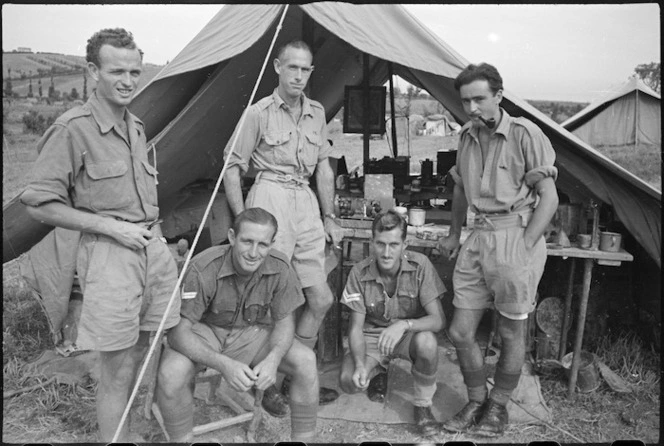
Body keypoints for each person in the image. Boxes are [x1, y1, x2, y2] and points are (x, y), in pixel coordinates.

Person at [20, 28, 181, 442]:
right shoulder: (72, 129)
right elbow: (37, 202)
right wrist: (109, 227)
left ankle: (132, 434)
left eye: (135, 71)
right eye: (116, 72)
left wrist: (159, 243)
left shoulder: (137, 126)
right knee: (117, 370)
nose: (128, 81)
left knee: (146, 357)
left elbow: (143, 199)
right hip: (110, 257)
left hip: (150, 253)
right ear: (93, 71)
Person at [437, 63, 559, 437]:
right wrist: (455, 235)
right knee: (460, 331)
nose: (472, 108)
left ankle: (499, 406)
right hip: (477, 237)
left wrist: (524, 247)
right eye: (465, 101)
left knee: (509, 333)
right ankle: (476, 399)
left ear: (499, 96)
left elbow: (548, 198)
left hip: (514, 235)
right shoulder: (466, 136)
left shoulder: (525, 133)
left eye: (479, 99)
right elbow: (460, 190)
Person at [223, 39, 341, 415]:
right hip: (269, 198)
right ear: (277, 66)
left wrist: (330, 216)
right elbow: (232, 167)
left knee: (320, 298)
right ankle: (265, 385)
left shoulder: (317, 112)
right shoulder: (258, 113)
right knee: (275, 301)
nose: (299, 76)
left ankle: (294, 376)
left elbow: (323, 167)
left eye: (306, 69)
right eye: (293, 67)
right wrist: (244, 220)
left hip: (304, 203)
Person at [156, 208, 319, 442]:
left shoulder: (280, 266)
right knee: (171, 373)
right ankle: (181, 440)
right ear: (232, 237)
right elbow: (177, 334)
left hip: (250, 333)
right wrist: (224, 364)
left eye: (263, 244)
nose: (254, 253)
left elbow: (285, 322)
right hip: (206, 333)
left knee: (306, 361)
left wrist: (273, 360)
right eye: (247, 241)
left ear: (272, 243)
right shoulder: (203, 267)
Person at [339, 210, 447, 437]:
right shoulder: (359, 273)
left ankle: (423, 406)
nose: (387, 253)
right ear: (372, 242)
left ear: (404, 244)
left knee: (427, 342)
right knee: (349, 382)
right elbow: (356, 329)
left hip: (406, 334)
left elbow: (438, 321)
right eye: (380, 244)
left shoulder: (421, 265)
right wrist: (359, 364)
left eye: (394, 245)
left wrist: (404, 325)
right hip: (373, 337)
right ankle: (379, 369)